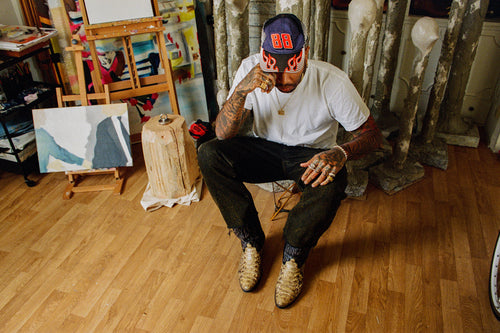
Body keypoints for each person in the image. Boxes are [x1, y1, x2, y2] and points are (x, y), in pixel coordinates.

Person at [197, 13, 382, 308]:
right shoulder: (250, 69)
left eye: (290, 66)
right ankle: (251, 240)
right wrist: (243, 91)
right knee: (208, 154)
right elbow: (221, 134)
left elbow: (372, 135)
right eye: (274, 66)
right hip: (264, 147)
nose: (281, 78)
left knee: (337, 177)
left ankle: (294, 255)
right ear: (263, 56)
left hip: (308, 155)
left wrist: (341, 152)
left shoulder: (331, 81)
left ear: (304, 55)